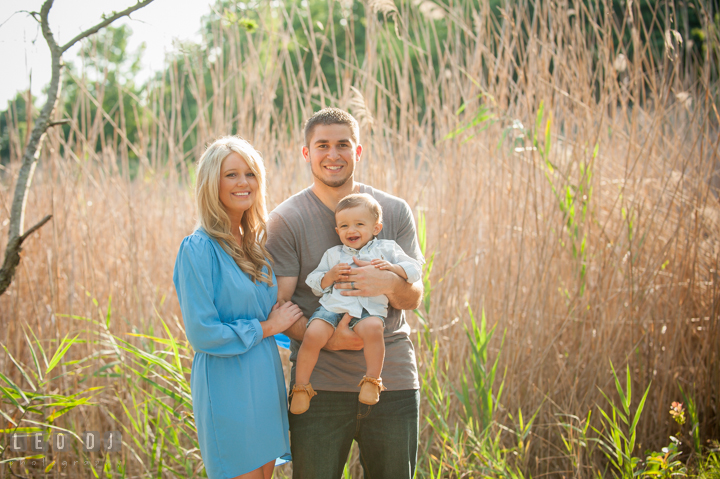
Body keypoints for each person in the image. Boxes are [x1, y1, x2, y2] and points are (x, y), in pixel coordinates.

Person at [266, 108, 425, 478]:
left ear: (358, 151)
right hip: (319, 388)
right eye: (322, 145)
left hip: (393, 382)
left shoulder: (394, 212)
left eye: (343, 145)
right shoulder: (286, 219)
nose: (333, 154)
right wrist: (330, 340)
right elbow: (282, 305)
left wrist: (387, 284)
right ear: (307, 153)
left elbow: (414, 297)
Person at [173, 136, 303, 479]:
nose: (243, 182)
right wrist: (267, 328)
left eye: (250, 173)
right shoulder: (197, 249)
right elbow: (203, 334)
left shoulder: (256, 247)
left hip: (264, 376)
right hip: (226, 381)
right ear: (211, 182)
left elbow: (277, 312)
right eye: (231, 174)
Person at [290, 193, 422, 414]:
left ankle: (372, 381)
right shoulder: (333, 255)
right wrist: (330, 276)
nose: (351, 230)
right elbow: (314, 283)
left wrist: (391, 269)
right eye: (344, 226)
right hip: (332, 308)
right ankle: (301, 387)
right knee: (312, 333)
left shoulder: (387, 249)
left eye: (359, 224)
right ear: (337, 231)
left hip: (367, 310)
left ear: (376, 228)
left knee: (373, 329)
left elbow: (414, 271)